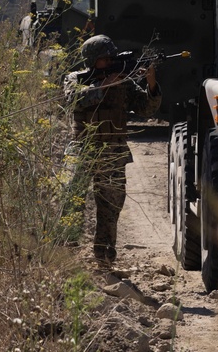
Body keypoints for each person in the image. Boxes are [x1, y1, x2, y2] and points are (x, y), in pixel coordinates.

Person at [63, 35, 162, 265]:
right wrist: (103, 85)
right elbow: (74, 100)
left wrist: (152, 84)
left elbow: (146, 109)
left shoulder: (122, 82)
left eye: (111, 59)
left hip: (113, 152)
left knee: (111, 205)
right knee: (72, 202)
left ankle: (104, 255)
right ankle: (67, 253)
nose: (109, 63)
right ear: (91, 60)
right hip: (83, 150)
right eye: (104, 59)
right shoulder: (75, 79)